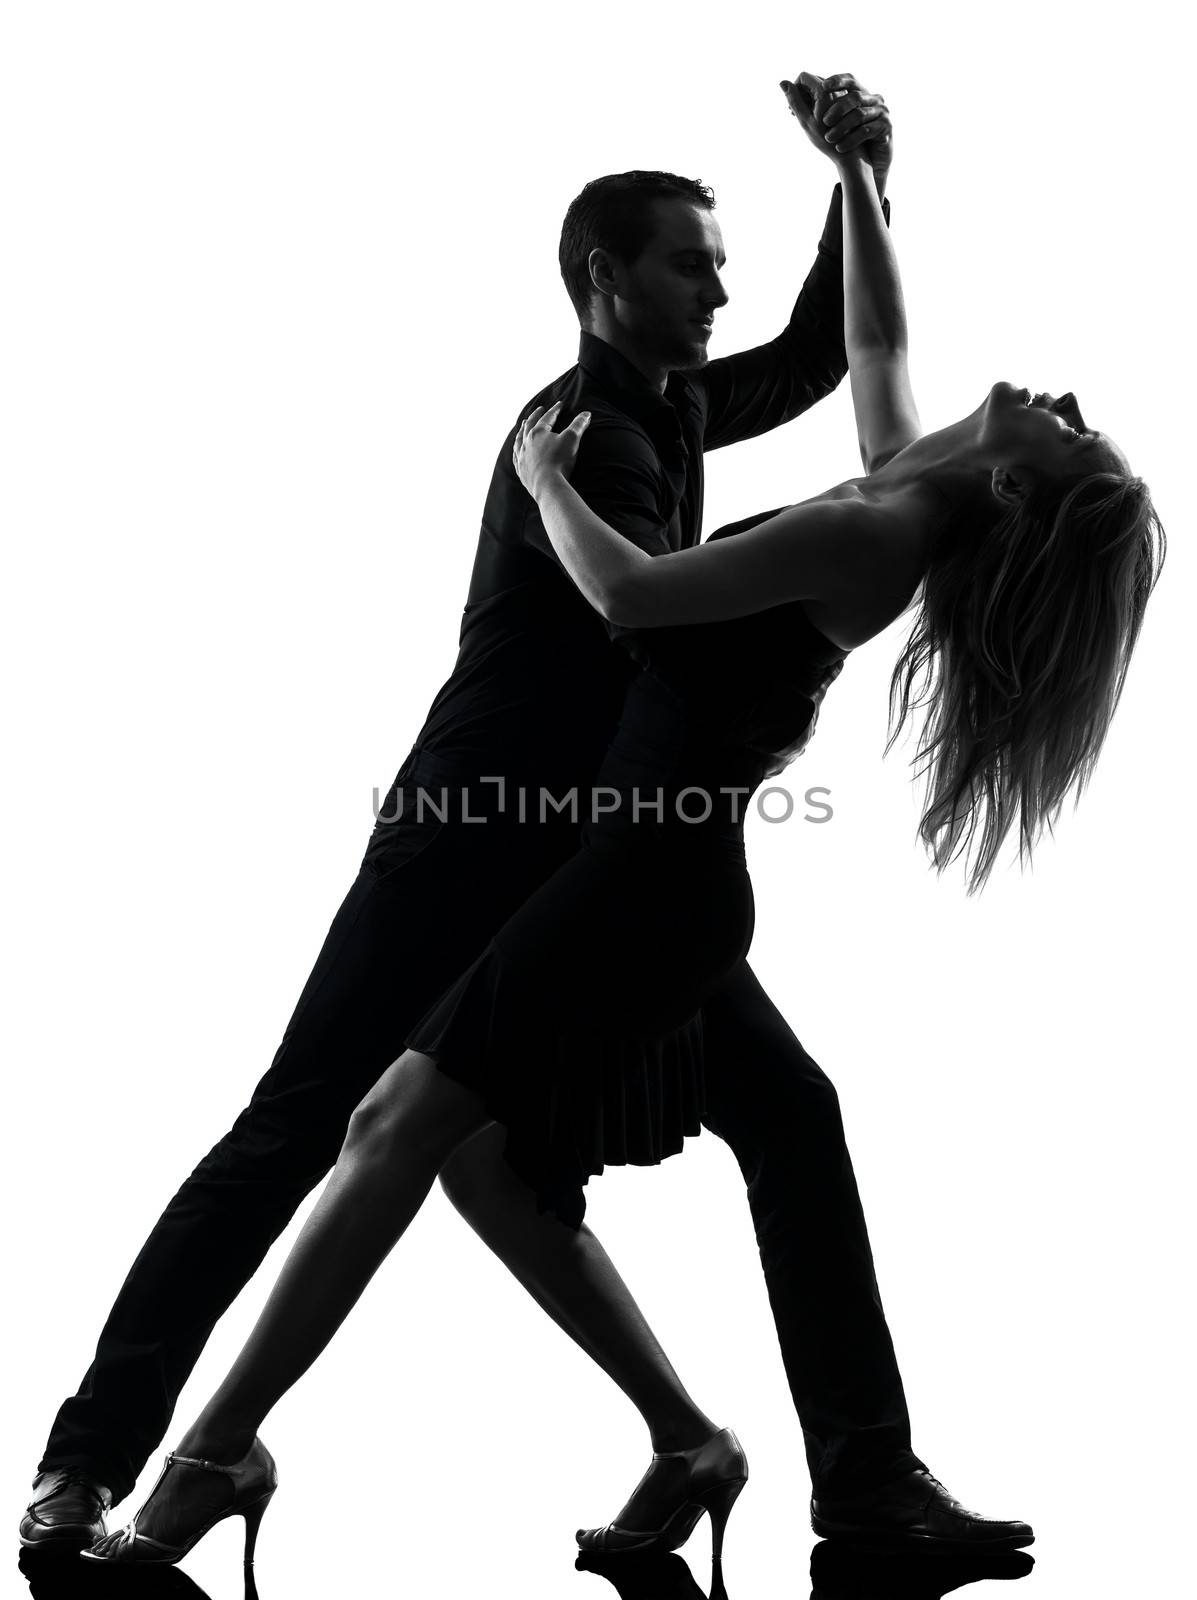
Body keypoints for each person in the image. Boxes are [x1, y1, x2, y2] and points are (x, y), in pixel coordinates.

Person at [78, 72, 1164, 1572]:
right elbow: (858, 346)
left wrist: (538, 482)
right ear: (607, 281)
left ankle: (205, 1460)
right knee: (497, 1141)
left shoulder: (828, 507)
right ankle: (769, 1461)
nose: (718, 291)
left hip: (621, 865)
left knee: (399, 1131)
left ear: (1022, 497)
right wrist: (861, 182)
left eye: (1073, 439)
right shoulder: (843, 473)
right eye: (691, 265)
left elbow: (640, 602)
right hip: (568, 853)